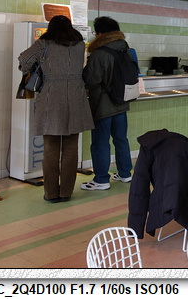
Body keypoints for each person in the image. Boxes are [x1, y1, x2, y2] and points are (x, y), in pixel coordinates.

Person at [18, 15, 94, 203]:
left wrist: (36, 66)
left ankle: (51, 194)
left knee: (51, 149)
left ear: (51, 28)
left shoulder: (44, 44)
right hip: (76, 96)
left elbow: (24, 59)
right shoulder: (79, 44)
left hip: (51, 97)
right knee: (71, 149)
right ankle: (66, 192)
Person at [81, 16, 134, 190]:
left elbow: (91, 80)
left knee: (100, 142)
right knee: (121, 139)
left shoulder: (100, 53)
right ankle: (125, 173)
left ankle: (102, 179)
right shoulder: (126, 49)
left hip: (103, 105)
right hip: (121, 102)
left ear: (100, 33)